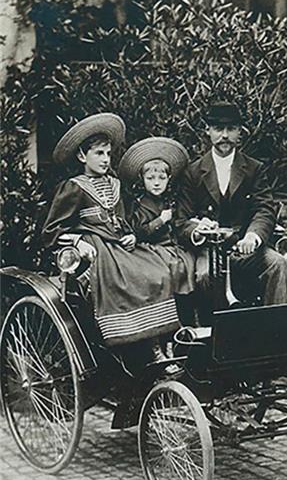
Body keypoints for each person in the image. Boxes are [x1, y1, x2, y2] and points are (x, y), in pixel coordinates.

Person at [42, 113, 183, 347]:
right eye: (98, 153)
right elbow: (52, 230)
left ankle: (159, 339)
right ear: (81, 155)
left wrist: (129, 234)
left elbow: (122, 219)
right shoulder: (74, 188)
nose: (106, 159)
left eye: (108, 154)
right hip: (96, 247)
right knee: (128, 278)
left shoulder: (115, 184)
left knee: (157, 272)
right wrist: (78, 242)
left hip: (119, 245)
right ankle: (140, 343)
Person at [176, 101, 287, 313]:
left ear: (240, 132)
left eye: (231, 129)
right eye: (219, 129)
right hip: (208, 251)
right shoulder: (192, 172)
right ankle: (214, 338)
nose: (225, 135)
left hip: (244, 248)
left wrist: (252, 237)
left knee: (278, 264)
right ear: (207, 131)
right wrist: (198, 231)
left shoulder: (254, 169)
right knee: (203, 276)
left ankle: (276, 333)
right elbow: (181, 220)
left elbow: (264, 208)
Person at [119, 136, 197, 337]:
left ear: (168, 179)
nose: (156, 183)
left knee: (189, 265)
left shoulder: (169, 202)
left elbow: (180, 223)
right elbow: (138, 231)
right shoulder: (141, 205)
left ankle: (188, 324)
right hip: (153, 251)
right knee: (169, 273)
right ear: (142, 180)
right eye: (151, 179)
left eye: (161, 179)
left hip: (174, 250)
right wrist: (160, 221)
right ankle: (168, 328)